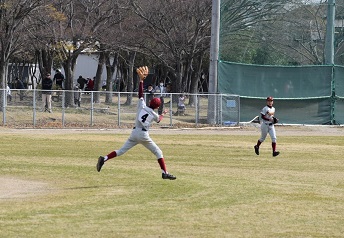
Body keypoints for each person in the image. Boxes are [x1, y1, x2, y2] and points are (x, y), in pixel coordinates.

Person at [96, 66, 176, 180]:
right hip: (143, 135)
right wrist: (163, 113)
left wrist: (141, 81)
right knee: (158, 152)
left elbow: (140, 94)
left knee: (121, 151)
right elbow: (159, 119)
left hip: (134, 132)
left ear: (150, 102)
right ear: (157, 106)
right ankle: (164, 172)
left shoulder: (142, 106)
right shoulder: (154, 114)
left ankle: (104, 159)